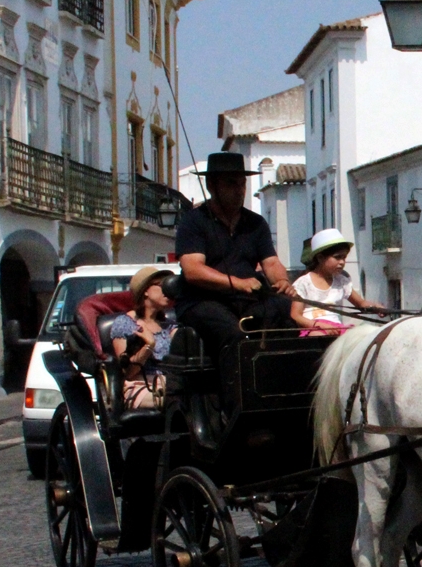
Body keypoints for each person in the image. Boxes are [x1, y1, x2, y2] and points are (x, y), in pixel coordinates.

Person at [174, 152, 297, 358]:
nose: (239, 191)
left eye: (242, 184)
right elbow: (193, 270)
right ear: (211, 186)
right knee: (233, 334)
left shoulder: (256, 223)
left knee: (285, 319)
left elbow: (272, 262)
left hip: (247, 301)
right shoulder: (193, 221)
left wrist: (282, 281)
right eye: (231, 184)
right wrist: (239, 283)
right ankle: (238, 389)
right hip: (202, 302)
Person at [291, 229, 382, 335]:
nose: (342, 262)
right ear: (320, 258)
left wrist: (375, 307)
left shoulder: (342, 281)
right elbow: (295, 315)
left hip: (336, 328)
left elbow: (361, 303)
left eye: (344, 258)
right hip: (313, 329)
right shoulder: (303, 283)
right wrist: (318, 325)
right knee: (319, 336)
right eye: (337, 257)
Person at [110, 267, 177, 410]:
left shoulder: (170, 326)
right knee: (177, 399)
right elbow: (128, 372)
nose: (167, 290)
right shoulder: (125, 323)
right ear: (145, 291)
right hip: (140, 387)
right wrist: (149, 345)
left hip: (171, 384)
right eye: (161, 286)